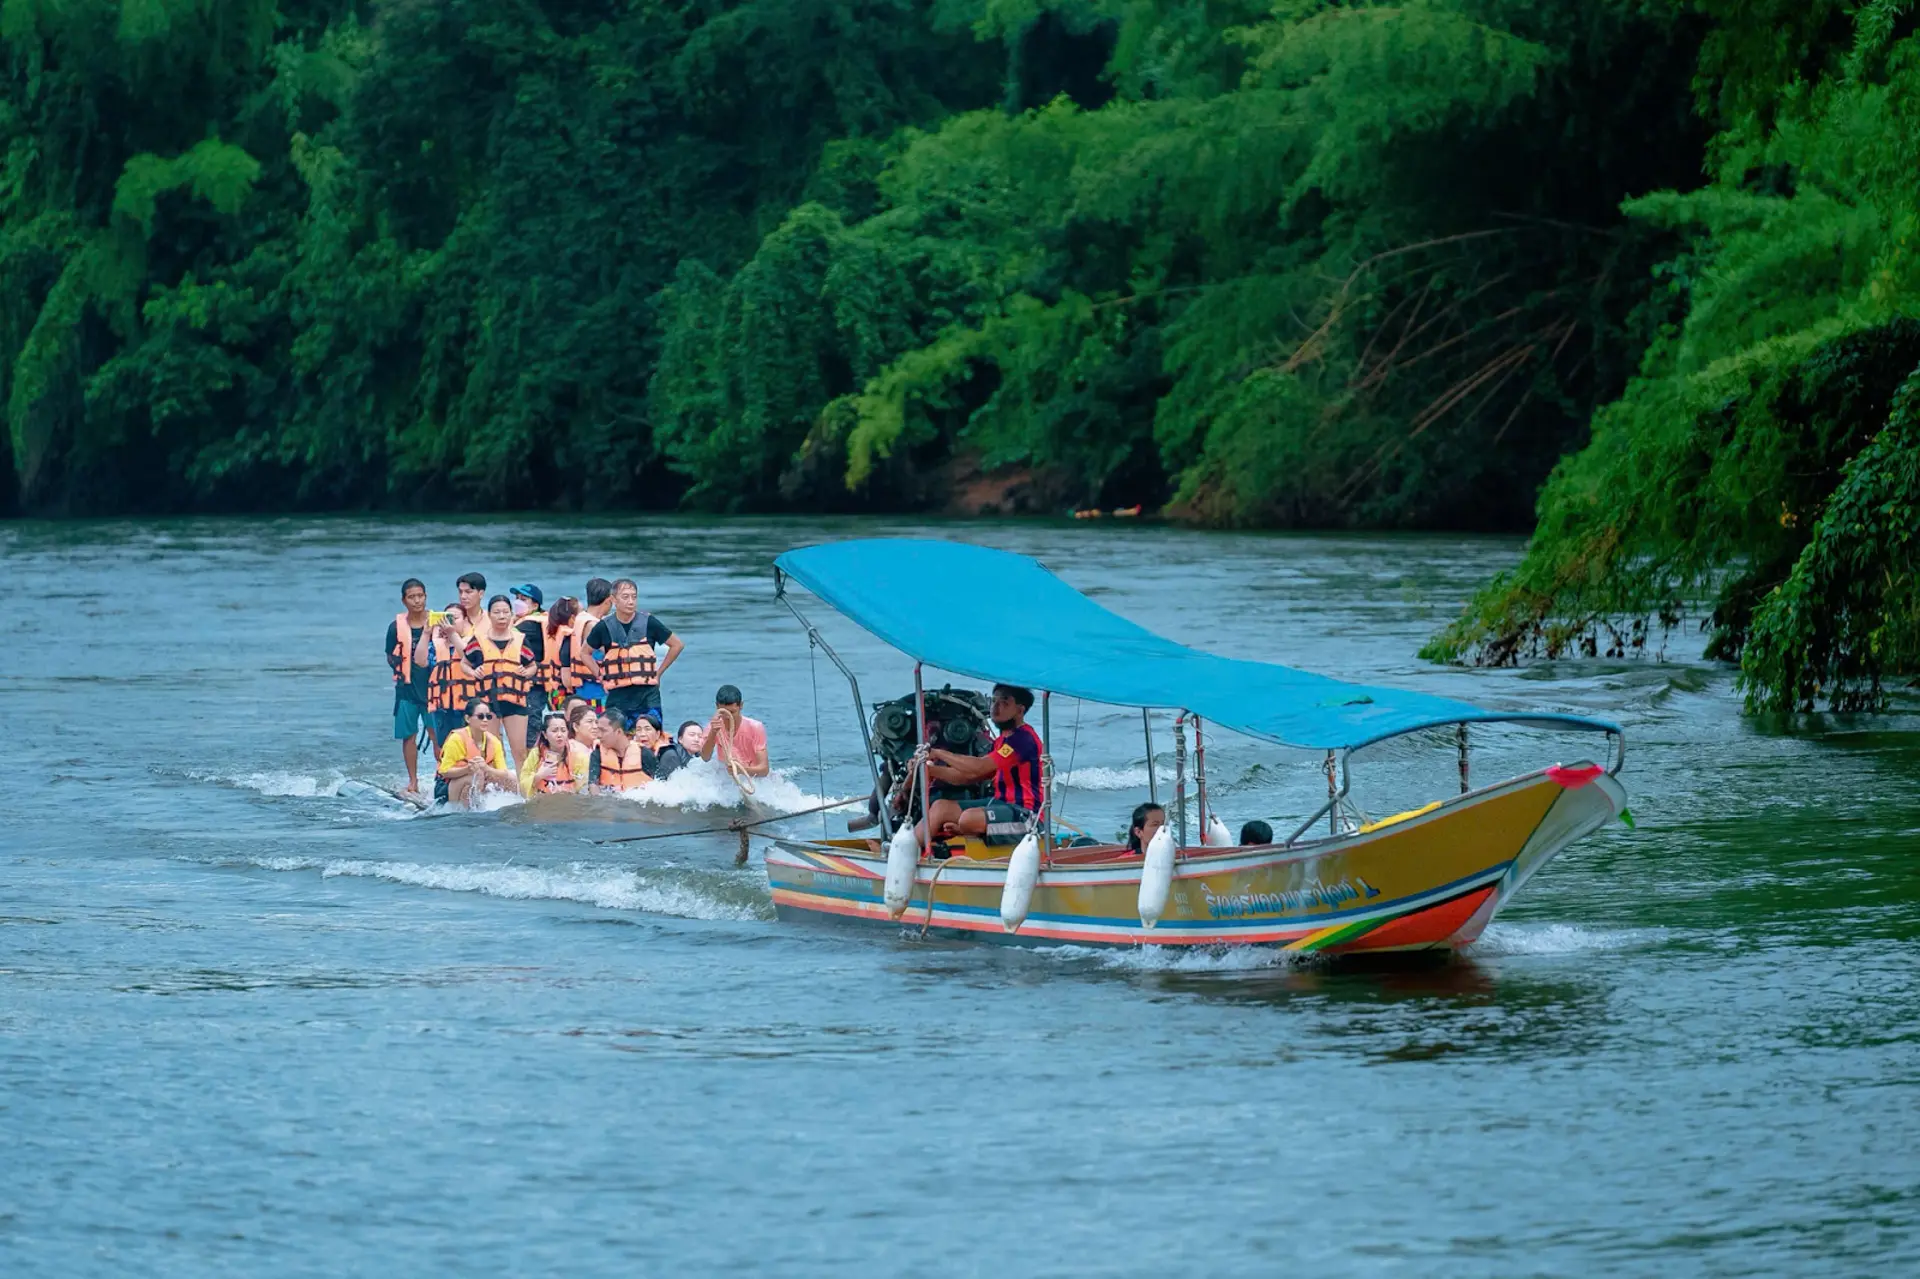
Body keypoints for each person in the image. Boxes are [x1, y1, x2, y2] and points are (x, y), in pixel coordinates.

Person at [918, 684, 1043, 846]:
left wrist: (939, 753)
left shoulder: (1022, 740)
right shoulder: (1001, 741)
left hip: (1027, 817)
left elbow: (979, 767)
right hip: (1001, 805)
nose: (995, 708)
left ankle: (968, 829)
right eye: (993, 701)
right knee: (941, 807)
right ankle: (907, 849)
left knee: (968, 819)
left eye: (1004, 703)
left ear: (1020, 710)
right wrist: (931, 770)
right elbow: (970, 776)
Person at [582, 578, 683, 729]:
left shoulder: (649, 622)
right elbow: (584, 653)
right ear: (613, 600)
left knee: (651, 737)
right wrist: (600, 675)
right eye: (625, 597)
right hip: (618, 696)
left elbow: (677, 645)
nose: (631, 601)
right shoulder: (603, 626)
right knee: (617, 739)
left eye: (634, 597)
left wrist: (659, 673)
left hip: (648, 696)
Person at [474, 594, 539, 769]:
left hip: (515, 701)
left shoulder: (520, 639)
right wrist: (474, 671)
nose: (501, 616)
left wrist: (527, 672)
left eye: (505, 612)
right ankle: (499, 790)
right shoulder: (479, 640)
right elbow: (465, 663)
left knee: (520, 752)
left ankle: (524, 793)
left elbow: (533, 666)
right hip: (488, 702)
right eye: (497, 612)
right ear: (489, 615)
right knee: (494, 750)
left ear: (511, 614)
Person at [384, 579, 435, 795]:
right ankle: (413, 781)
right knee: (409, 735)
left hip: (434, 689)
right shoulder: (396, 627)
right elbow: (390, 655)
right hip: (407, 689)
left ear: (426, 596)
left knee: (437, 734)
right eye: (412, 597)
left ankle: (442, 775)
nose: (417, 600)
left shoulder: (436, 622)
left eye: (420, 595)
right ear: (404, 600)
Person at [436, 697, 517, 806]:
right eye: (480, 716)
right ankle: (464, 813)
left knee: (511, 779)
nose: (485, 720)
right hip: (447, 787)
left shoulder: (494, 741)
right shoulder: (457, 739)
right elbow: (444, 771)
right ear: (468, 719)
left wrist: (487, 769)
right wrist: (467, 769)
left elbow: (504, 772)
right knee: (477, 776)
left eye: (488, 717)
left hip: (479, 780)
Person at [426, 603, 484, 748]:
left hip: (466, 704)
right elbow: (420, 661)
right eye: (446, 618)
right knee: (445, 745)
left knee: (469, 745)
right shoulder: (435, 644)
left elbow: (470, 657)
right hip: (442, 705)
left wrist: (452, 634)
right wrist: (426, 633)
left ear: (465, 620)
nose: (449, 622)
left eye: (454, 618)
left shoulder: (473, 641)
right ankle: (445, 770)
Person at [700, 684, 770, 779]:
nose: (728, 717)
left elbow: (764, 770)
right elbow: (705, 757)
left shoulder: (755, 727)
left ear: (741, 706)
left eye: (732, 712)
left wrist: (741, 770)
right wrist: (713, 733)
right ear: (717, 706)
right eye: (724, 712)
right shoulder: (712, 727)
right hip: (726, 776)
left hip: (752, 775)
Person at [519, 712, 590, 796]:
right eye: (554, 730)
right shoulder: (536, 755)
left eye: (563, 730)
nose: (559, 735)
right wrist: (539, 776)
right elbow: (522, 785)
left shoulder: (578, 756)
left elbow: (584, 788)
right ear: (545, 734)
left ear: (568, 733)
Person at [571, 578, 614, 710]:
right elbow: (610, 651)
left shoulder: (581, 618)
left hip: (583, 686)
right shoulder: (593, 625)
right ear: (609, 600)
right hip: (596, 690)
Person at [594, 708, 653, 792]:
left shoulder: (644, 753)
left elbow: (660, 784)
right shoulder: (597, 753)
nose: (598, 735)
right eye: (598, 730)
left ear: (618, 732)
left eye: (603, 731)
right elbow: (592, 784)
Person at [541, 597, 581, 710]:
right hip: (565, 695)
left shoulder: (554, 632)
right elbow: (566, 676)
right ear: (573, 618)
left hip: (553, 693)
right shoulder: (568, 636)